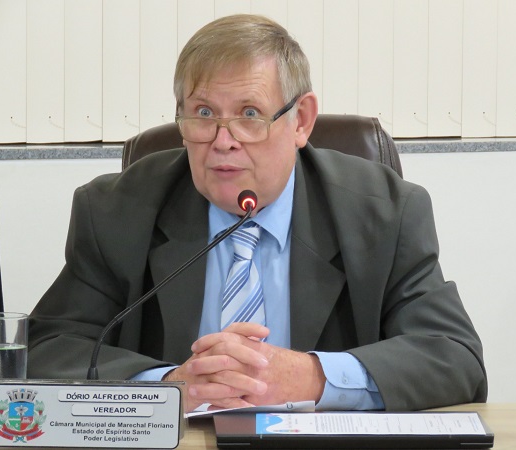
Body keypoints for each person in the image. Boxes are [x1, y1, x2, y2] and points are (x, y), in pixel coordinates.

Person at [28, 14, 487, 412]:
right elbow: (45, 351)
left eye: (249, 113)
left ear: (301, 120)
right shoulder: (115, 211)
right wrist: (168, 388)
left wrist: (314, 377)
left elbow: (454, 357)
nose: (223, 141)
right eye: (203, 112)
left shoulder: (384, 213)